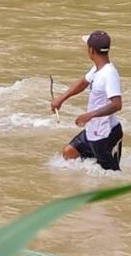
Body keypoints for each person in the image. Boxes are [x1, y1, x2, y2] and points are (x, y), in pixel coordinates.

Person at [50, 30, 123, 171]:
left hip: (106, 135)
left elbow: (117, 104)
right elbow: (84, 82)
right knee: (69, 153)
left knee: (111, 176)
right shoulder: (97, 69)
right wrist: (61, 98)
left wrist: (90, 115)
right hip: (92, 131)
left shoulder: (109, 74)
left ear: (91, 50)